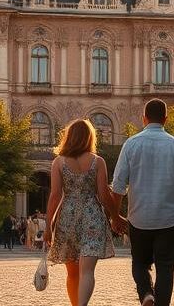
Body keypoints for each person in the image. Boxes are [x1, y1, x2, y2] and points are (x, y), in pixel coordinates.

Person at [111, 99, 174, 306]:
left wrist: (115, 216)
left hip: (139, 218)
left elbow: (118, 184)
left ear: (144, 118)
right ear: (165, 119)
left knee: (139, 263)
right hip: (169, 220)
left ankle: (146, 294)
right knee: (166, 267)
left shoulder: (131, 144)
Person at [45, 119, 117, 306]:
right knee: (87, 271)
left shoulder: (58, 162)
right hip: (92, 216)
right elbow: (103, 194)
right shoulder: (98, 161)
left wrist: (48, 226)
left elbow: (55, 196)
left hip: (68, 218)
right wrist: (115, 216)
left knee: (72, 273)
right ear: (89, 138)